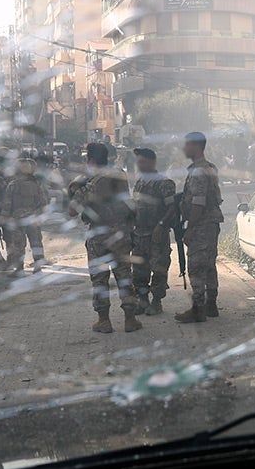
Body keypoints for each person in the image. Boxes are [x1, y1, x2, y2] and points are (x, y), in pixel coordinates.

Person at [69, 142, 140, 333]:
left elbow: (70, 211)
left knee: (100, 279)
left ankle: (104, 321)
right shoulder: (120, 176)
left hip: (99, 237)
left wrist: (76, 188)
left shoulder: (89, 183)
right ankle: (130, 319)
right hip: (121, 233)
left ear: (90, 159)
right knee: (124, 275)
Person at [175, 132, 224, 324]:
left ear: (195, 147)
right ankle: (211, 305)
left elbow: (198, 202)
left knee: (196, 266)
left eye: (186, 145)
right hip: (211, 223)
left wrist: (190, 228)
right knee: (209, 264)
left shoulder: (198, 171)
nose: (184, 149)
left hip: (202, 224)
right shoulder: (209, 167)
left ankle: (198, 309)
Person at [130, 147, 177, 316]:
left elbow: (172, 208)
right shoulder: (140, 183)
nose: (139, 165)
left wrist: (161, 225)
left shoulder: (164, 183)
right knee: (139, 271)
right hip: (139, 235)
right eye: (138, 162)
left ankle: (156, 302)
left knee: (158, 269)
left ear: (152, 162)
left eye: (142, 161)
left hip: (157, 235)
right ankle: (142, 301)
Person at [2, 158, 47, 274]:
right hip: (33, 219)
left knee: (18, 245)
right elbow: (43, 203)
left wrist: (5, 218)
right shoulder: (36, 184)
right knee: (36, 242)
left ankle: (19, 268)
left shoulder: (13, 184)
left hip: (18, 220)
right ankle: (37, 267)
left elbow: (7, 203)